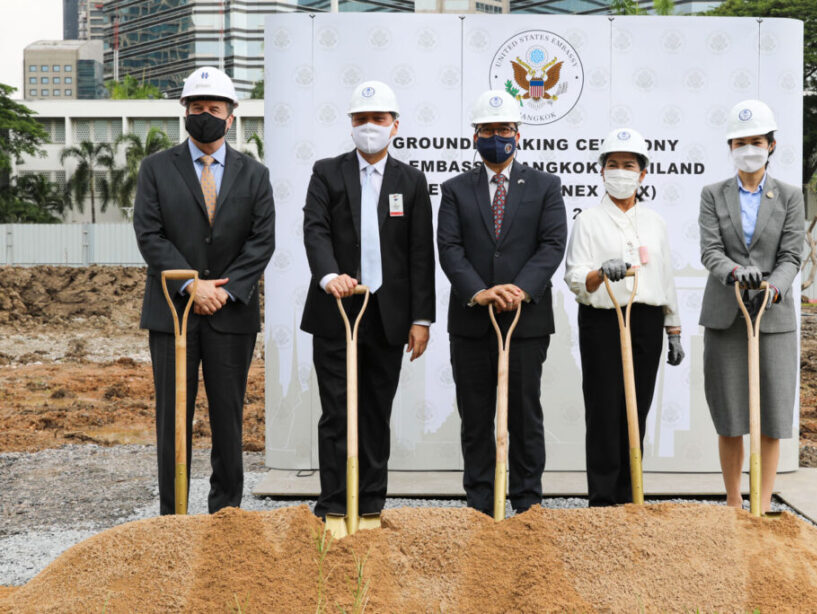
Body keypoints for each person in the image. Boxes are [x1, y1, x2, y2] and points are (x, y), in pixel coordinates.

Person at [133, 66, 275, 515]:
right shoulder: (156, 169)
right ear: (184, 113)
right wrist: (192, 284)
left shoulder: (255, 174)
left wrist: (223, 291)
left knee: (228, 415)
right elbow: (150, 234)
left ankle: (226, 512)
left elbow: (261, 241)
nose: (205, 115)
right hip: (172, 311)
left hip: (231, 313)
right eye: (197, 108)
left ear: (232, 116)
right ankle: (173, 514)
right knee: (172, 415)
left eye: (214, 108)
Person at [301, 81, 435, 526]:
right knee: (338, 410)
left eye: (379, 119)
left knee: (376, 410)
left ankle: (372, 502)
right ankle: (335, 504)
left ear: (395, 125)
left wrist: (421, 319)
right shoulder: (327, 172)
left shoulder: (411, 182)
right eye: (361, 119)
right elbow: (315, 229)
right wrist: (328, 276)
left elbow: (421, 253)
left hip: (388, 315)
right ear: (350, 125)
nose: (369, 127)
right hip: (336, 309)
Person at [437, 90, 567, 515]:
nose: (497, 136)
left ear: (518, 133)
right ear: (475, 136)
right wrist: (480, 291)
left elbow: (551, 245)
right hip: (472, 321)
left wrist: (519, 289)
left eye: (504, 130)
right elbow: (450, 247)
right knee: (476, 417)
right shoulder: (455, 189)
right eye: (488, 130)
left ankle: (528, 504)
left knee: (524, 415)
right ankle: (479, 504)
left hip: (525, 321)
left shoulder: (545, 186)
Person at [564, 128, 684, 507]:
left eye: (628, 165)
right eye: (612, 164)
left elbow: (665, 276)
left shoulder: (655, 222)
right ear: (601, 172)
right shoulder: (588, 221)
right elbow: (574, 276)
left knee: (637, 405)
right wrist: (600, 273)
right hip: (603, 320)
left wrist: (674, 328)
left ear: (643, 174)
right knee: (603, 407)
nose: (620, 172)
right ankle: (602, 500)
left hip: (645, 321)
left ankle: (630, 496)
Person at [698, 99, 803, 511]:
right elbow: (709, 251)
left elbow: (792, 256)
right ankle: (733, 504)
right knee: (730, 416)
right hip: (727, 314)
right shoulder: (713, 194)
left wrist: (773, 288)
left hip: (773, 317)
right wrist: (732, 273)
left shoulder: (790, 196)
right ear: (730, 146)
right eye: (740, 142)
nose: (749, 149)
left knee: (772, 417)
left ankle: (760, 505)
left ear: (771, 145)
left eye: (756, 141)